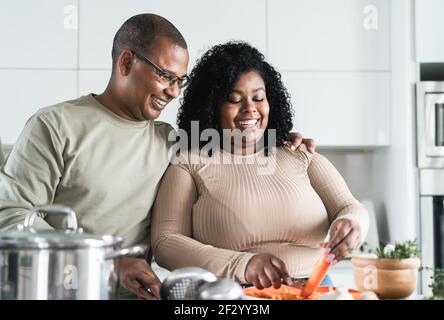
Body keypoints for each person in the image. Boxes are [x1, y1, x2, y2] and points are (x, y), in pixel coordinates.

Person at [0, 15, 314, 299]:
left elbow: (235, 148)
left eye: (181, 81)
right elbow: (11, 217)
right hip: (54, 293)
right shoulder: (55, 125)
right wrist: (107, 264)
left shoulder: (171, 141)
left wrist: (282, 139)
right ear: (125, 63)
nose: (174, 92)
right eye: (165, 76)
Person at [151, 41, 369, 290]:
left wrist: (353, 224)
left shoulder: (298, 153)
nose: (250, 109)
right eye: (234, 100)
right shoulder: (189, 163)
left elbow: (350, 206)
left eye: (258, 97)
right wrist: (244, 264)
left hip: (317, 288)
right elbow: (165, 243)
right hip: (237, 294)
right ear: (211, 107)